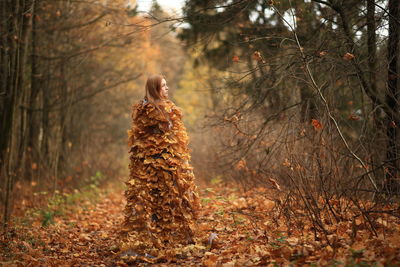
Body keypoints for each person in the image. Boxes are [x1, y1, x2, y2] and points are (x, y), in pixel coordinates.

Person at [119, 74, 201, 260]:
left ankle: (171, 239)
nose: (167, 88)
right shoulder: (147, 109)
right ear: (155, 88)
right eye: (163, 86)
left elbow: (175, 137)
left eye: (166, 85)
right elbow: (143, 138)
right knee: (154, 200)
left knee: (175, 199)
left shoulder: (165, 107)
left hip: (171, 163)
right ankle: (157, 241)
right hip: (154, 166)